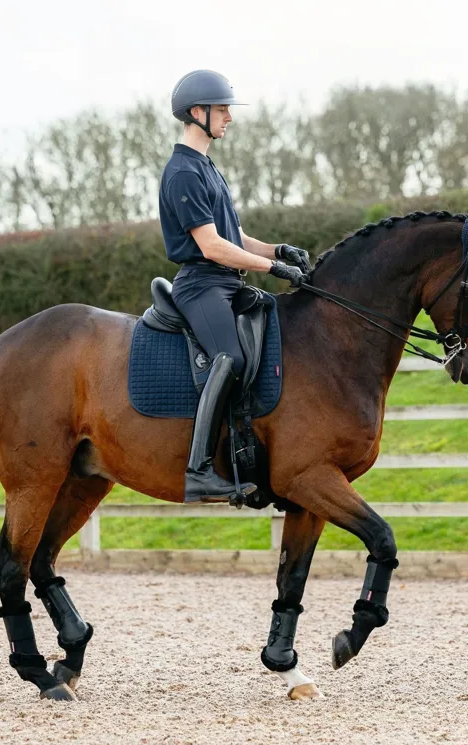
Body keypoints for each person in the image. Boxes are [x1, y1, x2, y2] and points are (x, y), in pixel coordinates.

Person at [159, 69, 310, 504]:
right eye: (222, 109)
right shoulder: (182, 172)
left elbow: (233, 236)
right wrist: (270, 268)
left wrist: (276, 250)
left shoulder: (206, 168)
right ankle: (199, 470)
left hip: (226, 280)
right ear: (197, 113)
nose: (229, 117)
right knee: (230, 356)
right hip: (202, 285)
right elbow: (210, 247)